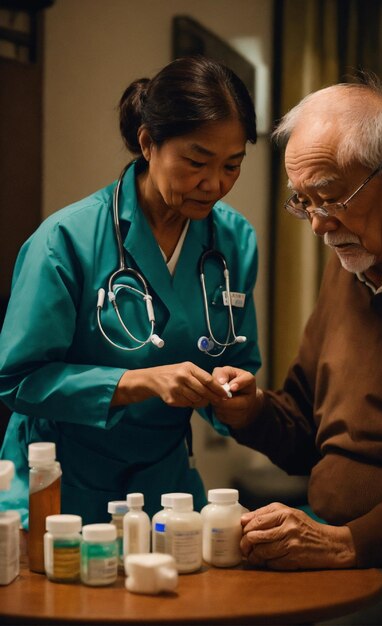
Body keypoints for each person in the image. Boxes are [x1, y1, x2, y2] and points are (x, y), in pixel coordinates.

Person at [212, 77, 382, 623]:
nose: (319, 225)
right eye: (304, 202)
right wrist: (250, 412)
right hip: (336, 541)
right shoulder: (354, 257)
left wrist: (345, 543)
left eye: (332, 198)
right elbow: (307, 427)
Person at [0, 56, 261, 526]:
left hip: (166, 489)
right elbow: (18, 379)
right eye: (197, 161)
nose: (215, 184)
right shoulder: (66, 241)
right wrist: (139, 382)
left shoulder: (234, 243)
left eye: (232, 165)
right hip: (62, 483)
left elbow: (238, 363)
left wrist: (237, 399)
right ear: (148, 144)